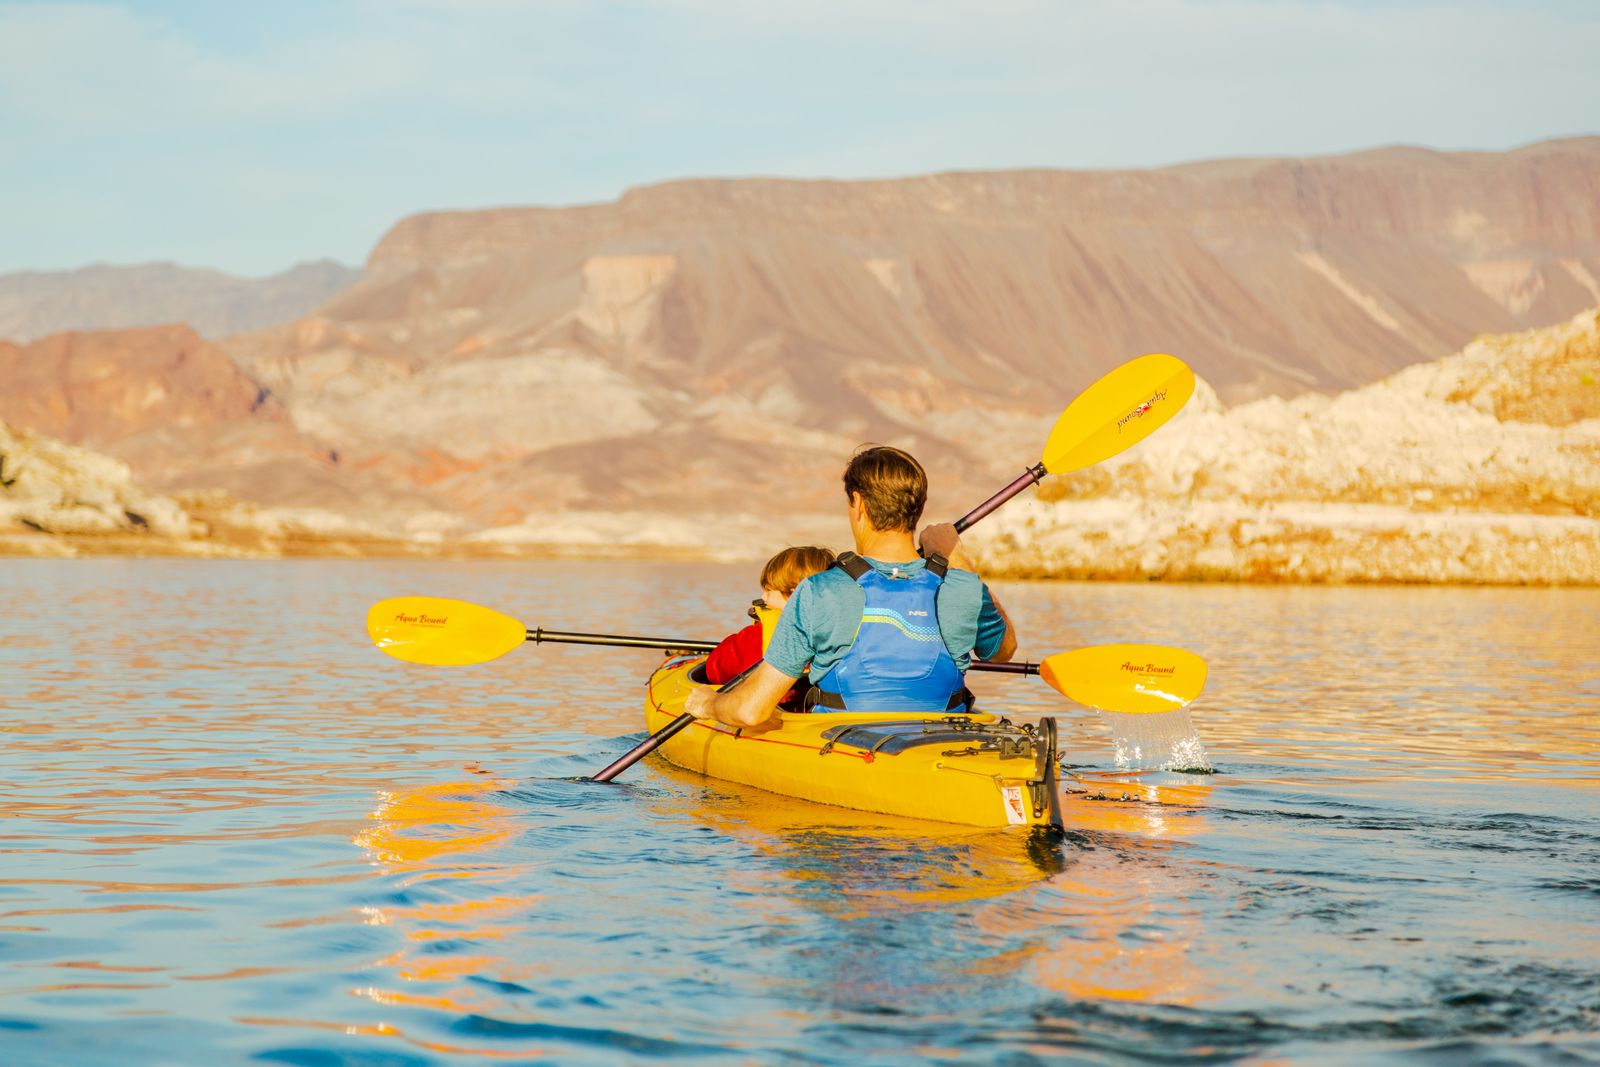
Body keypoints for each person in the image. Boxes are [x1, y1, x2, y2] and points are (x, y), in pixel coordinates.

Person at [686, 445, 1016, 727]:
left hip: (843, 746)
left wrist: (709, 705)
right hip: (945, 740)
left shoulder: (820, 591)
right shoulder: (964, 587)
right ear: (917, 506)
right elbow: (1004, 651)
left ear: (857, 503)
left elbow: (750, 710)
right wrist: (956, 557)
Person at [703, 545, 835, 686]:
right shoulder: (842, 624)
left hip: (779, 705)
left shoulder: (756, 637)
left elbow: (715, 671)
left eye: (769, 591)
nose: (763, 597)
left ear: (794, 594)